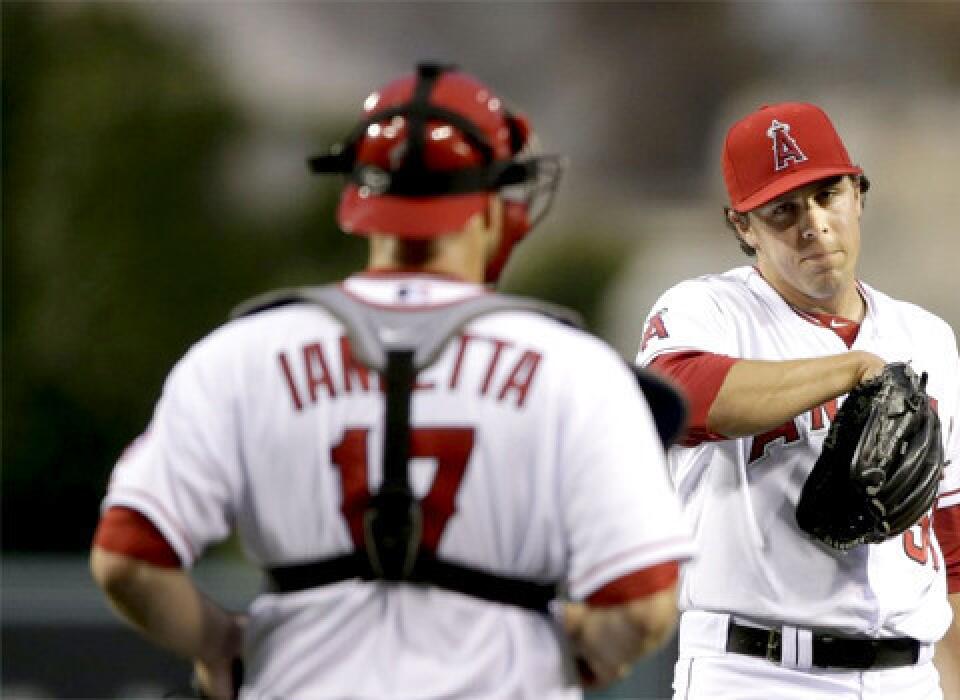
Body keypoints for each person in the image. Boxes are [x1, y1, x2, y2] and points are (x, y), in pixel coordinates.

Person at [90, 62, 694, 699]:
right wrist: (584, 653)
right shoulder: (573, 365)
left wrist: (220, 645)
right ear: (490, 203)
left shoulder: (239, 353)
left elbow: (128, 557)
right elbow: (640, 604)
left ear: (359, 196)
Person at [635, 102, 960, 699]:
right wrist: (848, 370)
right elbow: (681, 397)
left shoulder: (928, 338)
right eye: (783, 210)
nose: (814, 224)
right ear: (743, 225)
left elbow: (954, 552)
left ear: (858, 194)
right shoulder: (708, 311)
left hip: (908, 676)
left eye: (828, 195)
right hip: (754, 670)